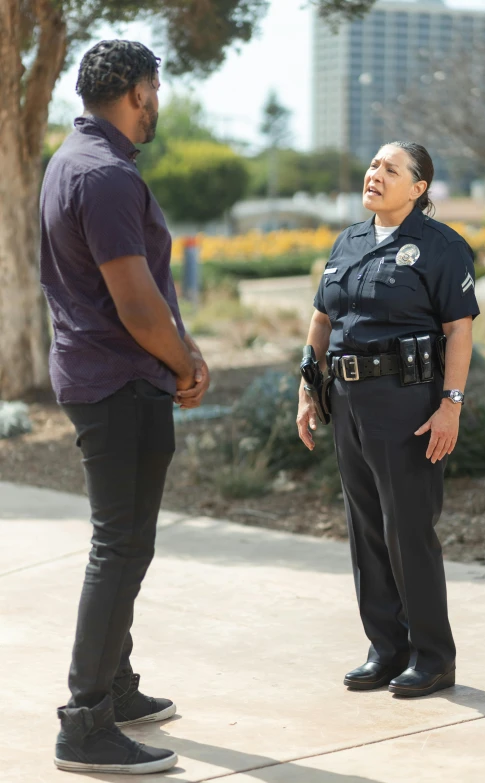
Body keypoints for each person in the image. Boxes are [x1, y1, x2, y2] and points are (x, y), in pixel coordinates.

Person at [40, 40, 210, 774]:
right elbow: (138, 306)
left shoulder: (71, 160)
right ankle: (86, 722)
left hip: (104, 376)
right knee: (119, 546)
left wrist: (184, 346)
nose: (158, 102)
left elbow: (147, 289)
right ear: (139, 90)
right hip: (120, 382)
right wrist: (185, 363)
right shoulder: (106, 176)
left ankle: (116, 685)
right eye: (156, 89)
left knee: (126, 544)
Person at [297, 141, 480, 699]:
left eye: (390, 169)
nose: (375, 174)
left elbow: (460, 332)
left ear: (418, 188)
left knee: (408, 530)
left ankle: (432, 656)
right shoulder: (348, 240)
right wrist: (308, 390)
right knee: (366, 530)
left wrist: (450, 404)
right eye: (374, 165)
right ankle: (386, 647)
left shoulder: (441, 248)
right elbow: (322, 319)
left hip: (409, 404)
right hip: (349, 401)